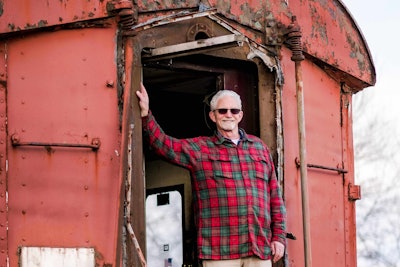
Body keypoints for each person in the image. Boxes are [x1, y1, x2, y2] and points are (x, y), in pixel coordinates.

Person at [136, 83, 286, 267]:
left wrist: (279, 237)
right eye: (222, 111)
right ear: (212, 116)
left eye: (233, 110)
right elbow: (164, 145)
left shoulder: (259, 147)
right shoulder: (200, 148)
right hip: (219, 252)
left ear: (240, 114)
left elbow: (275, 197)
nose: (228, 114)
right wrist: (145, 113)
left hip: (258, 248)